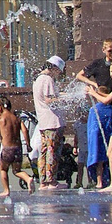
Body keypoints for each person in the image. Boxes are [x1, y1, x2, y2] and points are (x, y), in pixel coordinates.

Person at [80, 38, 112, 191]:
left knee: (111, 152)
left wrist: (93, 93)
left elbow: (107, 100)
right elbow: (80, 75)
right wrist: (94, 86)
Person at [29, 56, 68, 186]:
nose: (59, 74)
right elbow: (49, 100)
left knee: (44, 151)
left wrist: (63, 95)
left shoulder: (38, 79)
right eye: (59, 71)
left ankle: (43, 182)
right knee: (52, 151)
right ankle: (52, 181)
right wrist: (66, 100)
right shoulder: (47, 79)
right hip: (52, 121)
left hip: (43, 121)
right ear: (54, 68)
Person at [0, 95, 29, 195]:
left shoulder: (0, 118)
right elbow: (25, 130)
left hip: (7, 150)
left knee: (3, 169)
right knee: (17, 171)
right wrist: (28, 145)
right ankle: (28, 179)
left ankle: (6, 190)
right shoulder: (17, 118)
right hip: (18, 149)